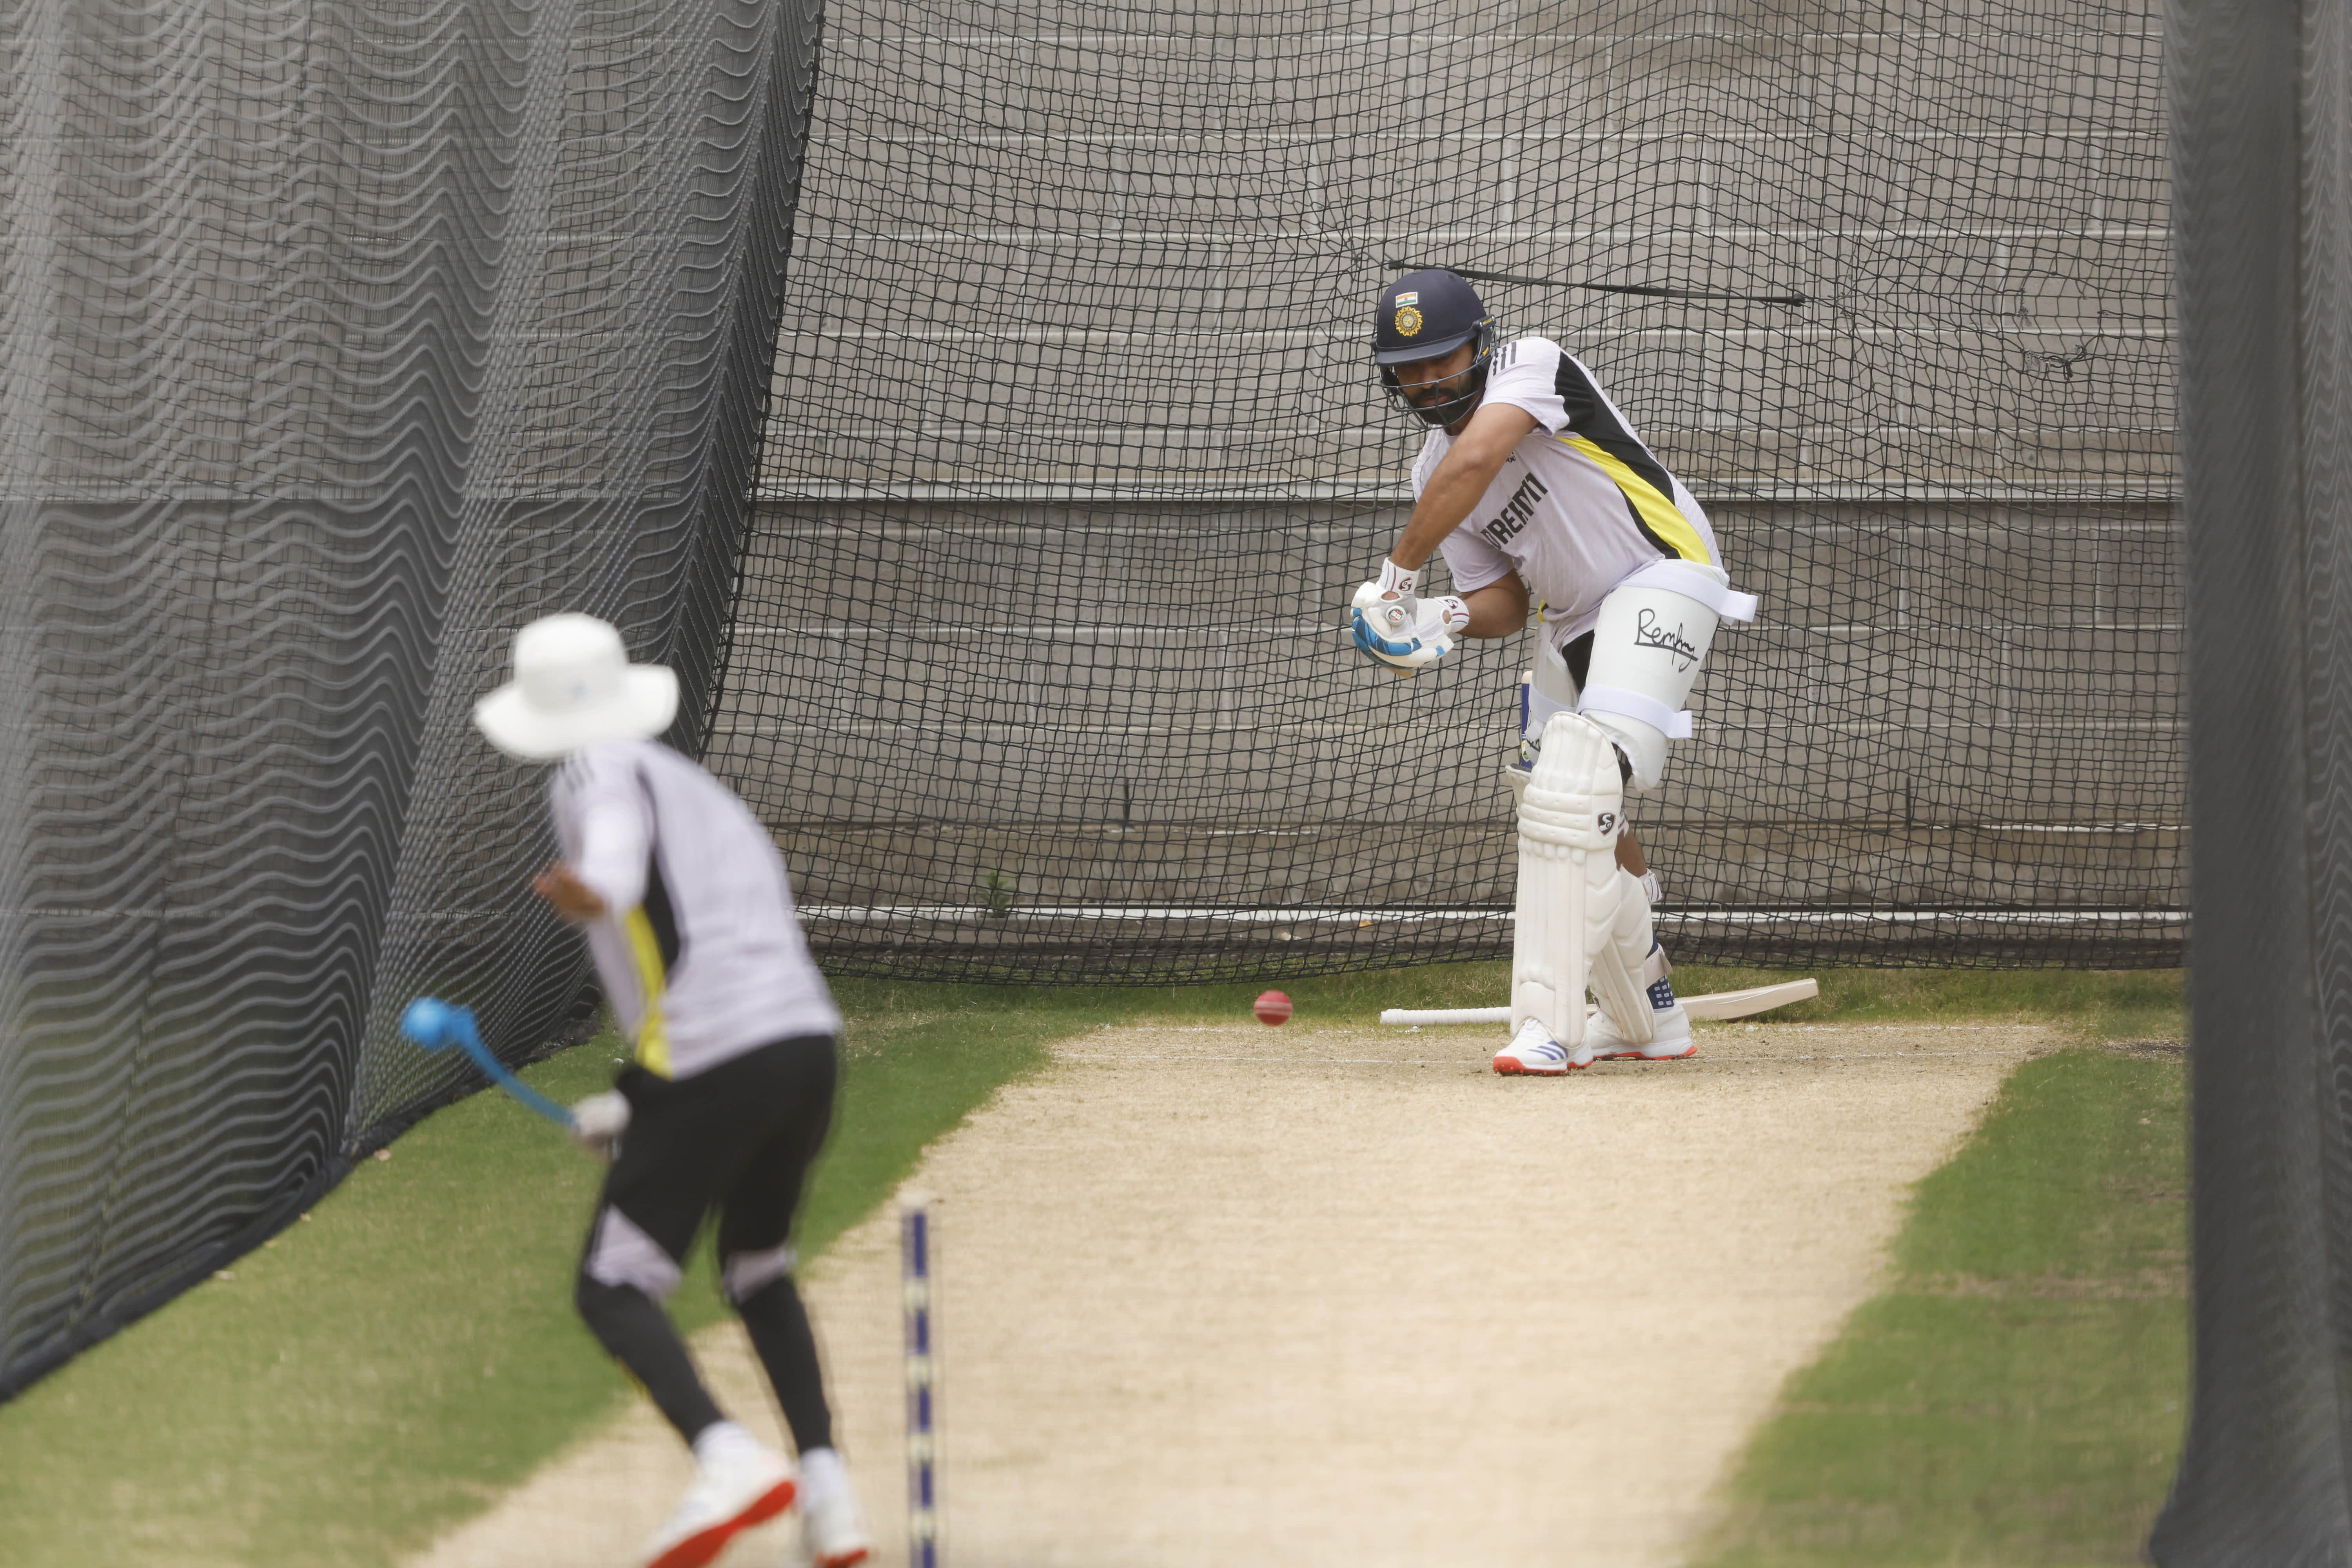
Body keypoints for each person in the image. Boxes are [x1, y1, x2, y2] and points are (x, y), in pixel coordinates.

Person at [471, 612, 871, 1568]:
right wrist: (641, 1099)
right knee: (756, 1266)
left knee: (613, 1285)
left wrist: (594, 884)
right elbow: (723, 954)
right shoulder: (701, 790)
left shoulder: (591, 770)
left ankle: (727, 1455)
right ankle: (830, 1491)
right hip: (805, 1050)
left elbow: (614, 856)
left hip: (717, 1054)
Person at [1347, 269, 1758, 1074]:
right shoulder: (1428, 471)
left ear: (1480, 345)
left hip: (1662, 571)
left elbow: (1478, 460)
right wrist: (1450, 615)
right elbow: (1497, 595)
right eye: (1411, 368)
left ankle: (1550, 1024)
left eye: (1442, 358)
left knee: (1579, 790)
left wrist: (1396, 581)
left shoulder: (1532, 365)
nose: (1429, 379)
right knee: (1549, 798)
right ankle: (1649, 1015)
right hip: (1572, 621)